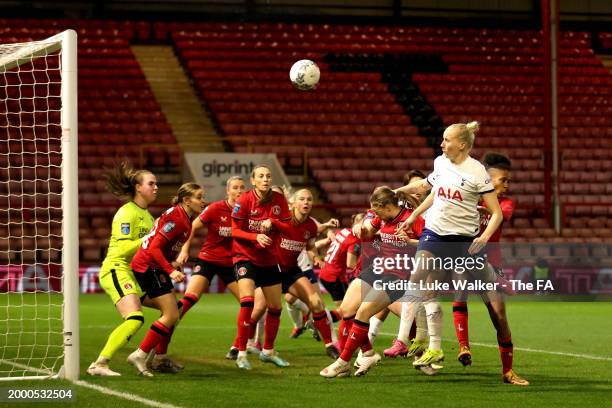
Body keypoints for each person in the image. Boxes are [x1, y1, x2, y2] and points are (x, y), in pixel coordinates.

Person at [393, 121, 503, 370]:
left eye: (447, 140)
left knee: (487, 301)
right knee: (417, 278)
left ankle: (435, 345)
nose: (442, 144)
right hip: (435, 232)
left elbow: (496, 213)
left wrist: (484, 238)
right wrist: (406, 208)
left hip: (463, 240)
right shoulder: (440, 162)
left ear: (462, 144)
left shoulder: (477, 172)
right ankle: (409, 340)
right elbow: (431, 191)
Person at [320, 187, 424, 378]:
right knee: (346, 310)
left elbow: (432, 244)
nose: (374, 214)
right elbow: (368, 229)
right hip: (378, 269)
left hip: (398, 275)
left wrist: (411, 243)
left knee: (364, 312)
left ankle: (343, 362)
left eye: (376, 211)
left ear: (386, 206)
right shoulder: (382, 217)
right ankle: (367, 353)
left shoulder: (412, 219)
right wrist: (361, 228)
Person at [451, 152, 529, 385]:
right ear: (488, 178)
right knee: (460, 289)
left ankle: (508, 371)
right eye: (503, 180)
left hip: (491, 265)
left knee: (499, 316)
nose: (506, 185)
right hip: (465, 257)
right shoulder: (469, 195)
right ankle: (464, 346)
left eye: (508, 181)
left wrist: (475, 207)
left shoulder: (505, 203)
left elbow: (501, 214)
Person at [126, 183, 205, 377]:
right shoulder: (177, 218)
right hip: (148, 267)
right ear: (187, 200)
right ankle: (140, 354)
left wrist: (171, 262)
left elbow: (160, 246)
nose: (203, 201)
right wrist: (170, 270)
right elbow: (153, 248)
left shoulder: (184, 217)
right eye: (199, 197)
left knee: (172, 312)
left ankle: (159, 358)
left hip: (154, 266)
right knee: (171, 315)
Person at [87, 162, 158, 377]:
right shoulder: (126, 213)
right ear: (138, 187)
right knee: (135, 318)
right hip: (116, 269)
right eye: (151, 183)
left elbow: (147, 250)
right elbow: (125, 248)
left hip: (134, 273)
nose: (156, 188)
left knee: (172, 310)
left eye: (157, 184)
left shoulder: (149, 217)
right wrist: (149, 238)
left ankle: (157, 358)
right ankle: (99, 364)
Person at [175, 176, 246, 360]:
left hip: (231, 264)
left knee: (249, 305)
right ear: (228, 191)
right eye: (235, 188)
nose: (239, 191)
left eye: (242, 188)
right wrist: (184, 249)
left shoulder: (247, 212)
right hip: (208, 259)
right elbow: (191, 226)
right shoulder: (215, 208)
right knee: (189, 299)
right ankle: (165, 328)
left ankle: (236, 347)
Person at [263, 188, 340, 358]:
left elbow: (310, 245)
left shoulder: (311, 225)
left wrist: (317, 258)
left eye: (309, 199)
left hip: (291, 270)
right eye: (302, 199)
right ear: (294, 203)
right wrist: (267, 223)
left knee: (316, 302)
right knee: (260, 310)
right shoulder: (280, 218)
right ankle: (247, 348)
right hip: (271, 269)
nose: (306, 202)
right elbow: (262, 226)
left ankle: (329, 344)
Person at [232, 165, 291, 370]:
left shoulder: (279, 200)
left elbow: (288, 226)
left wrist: (272, 221)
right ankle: (241, 352)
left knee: (276, 307)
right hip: (245, 256)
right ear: (253, 180)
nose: (265, 179)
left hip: (268, 258)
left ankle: (268, 352)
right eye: (261, 176)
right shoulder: (244, 200)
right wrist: (255, 235)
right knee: (247, 302)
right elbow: (234, 230)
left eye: (268, 176)